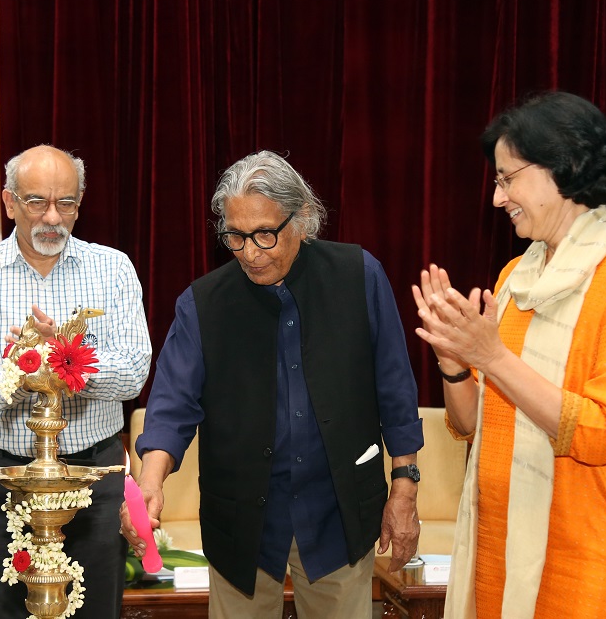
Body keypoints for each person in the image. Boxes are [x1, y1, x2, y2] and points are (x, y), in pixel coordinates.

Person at [412, 91, 606, 618]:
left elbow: (600, 434)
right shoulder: (516, 277)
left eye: (507, 178)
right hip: (498, 559)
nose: (496, 198)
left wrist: (492, 357)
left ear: (564, 166)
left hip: (589, 565)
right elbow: (469, 424)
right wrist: (453, 358)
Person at [128, 150, 423, 618]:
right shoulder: (203, 303)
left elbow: (396, 390)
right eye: (236, 236)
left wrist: (404, 488)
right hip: (242, 522)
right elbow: (172, 405)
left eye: (264, 234)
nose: (250, 252)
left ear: (302, 220)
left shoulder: (359, 276)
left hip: (339, 514)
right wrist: (151, 478)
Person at [0, 145, 152, 619]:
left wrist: (69, 363)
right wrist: (18, 375)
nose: (52, 217)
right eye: (36, 202)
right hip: (3, 476)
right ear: (9, 203)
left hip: (93, 474)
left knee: (96, 612)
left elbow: (134, 372)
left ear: (81, 202)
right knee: (14, 612)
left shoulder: (112, 269)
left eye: (65, 203)